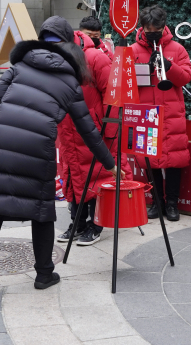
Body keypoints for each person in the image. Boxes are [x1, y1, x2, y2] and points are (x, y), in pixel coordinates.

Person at [0, 22, 123, 297]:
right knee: (41, 211)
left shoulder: (20, 65)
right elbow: (89, 131)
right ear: (69, 46)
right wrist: (111, 165)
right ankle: (44, 274)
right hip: (38, 144)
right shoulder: (70, 81)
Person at [45, 18, 134, 246]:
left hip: (95, 130)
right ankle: (77, 223)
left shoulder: (95, 57)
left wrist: (110, 131)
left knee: (98, 177)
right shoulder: (55, 58)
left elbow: (113, 95)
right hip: (67, 130)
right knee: (73, 176)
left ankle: (96, 225)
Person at [131, 5, 191, 222]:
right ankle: (156, 202)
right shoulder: (133, 50)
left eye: (157, 29)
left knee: (174, 160)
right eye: (148, 30)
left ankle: (172, 203)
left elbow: (185, 78)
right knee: (150, 159)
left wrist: (168, 64)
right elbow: (128, 84)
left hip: (171, 112)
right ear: (142, 28)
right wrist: (144, 71)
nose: (153, 33)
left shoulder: (177, 49)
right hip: (147, 112)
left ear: (164, 26)